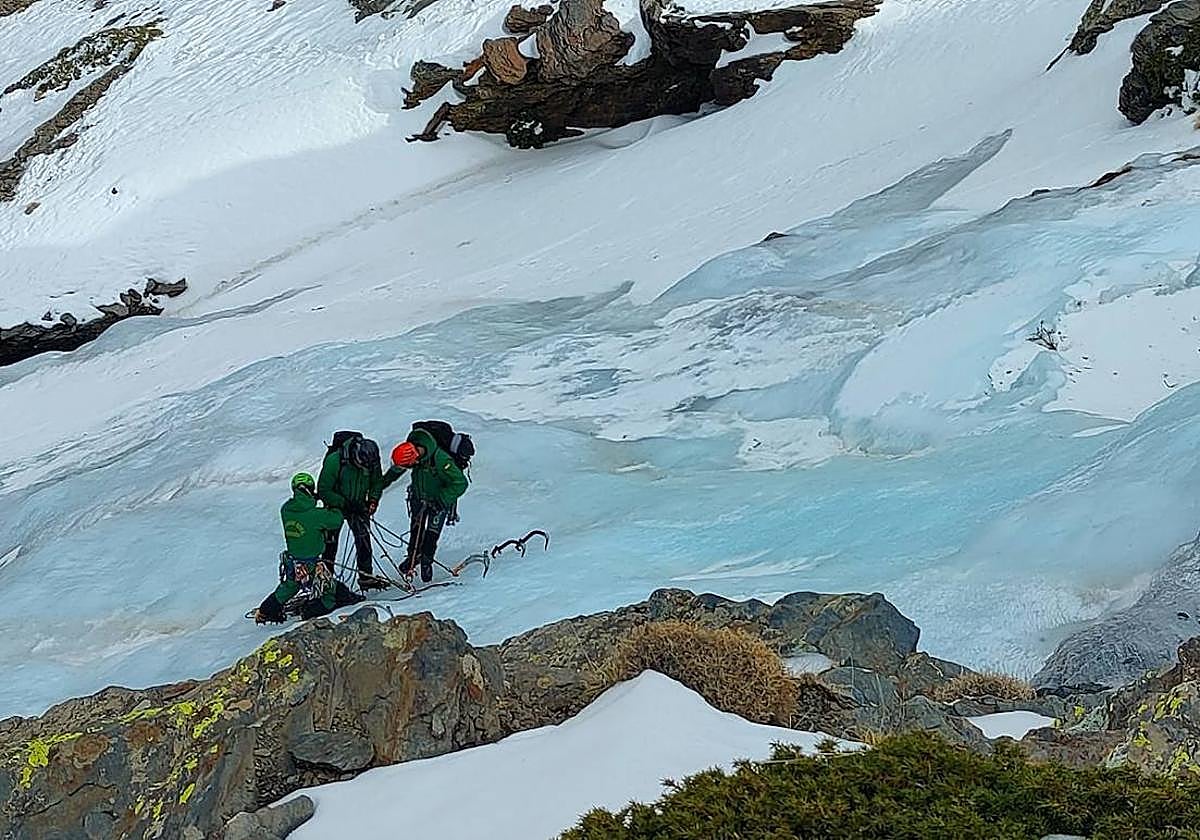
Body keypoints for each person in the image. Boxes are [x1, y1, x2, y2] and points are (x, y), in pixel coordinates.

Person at [255, 472, 363, 623]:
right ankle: (309, 611)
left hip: (293, 561)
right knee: (330, 593)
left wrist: (312, 499)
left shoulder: (286, 510)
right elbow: (336, 520)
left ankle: (266, 610)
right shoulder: (316, 515)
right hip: (312, 565)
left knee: (291, 586)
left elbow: (303, 511)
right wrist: (334, 504)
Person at [383, 426, 469, 583]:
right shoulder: (412, 453)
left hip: (438, 501)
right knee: (416, 530)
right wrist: (380, 486)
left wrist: (442, 500)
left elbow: (460, 483)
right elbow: (395, 472)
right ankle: (413, 558)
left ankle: (426, 563)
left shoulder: (441, 459)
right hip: (418, 497)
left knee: (431, 534)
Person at [318, 433, 387, 590]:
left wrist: (373, 499)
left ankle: (366, 577)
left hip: (359, 505)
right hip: (335, 506)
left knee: (363, 540)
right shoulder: (335, 460)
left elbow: (377, 481)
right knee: (330, 543)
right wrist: (344, 503)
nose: (365, 468)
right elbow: (324, 489)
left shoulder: (372, 460)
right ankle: (326, 580)